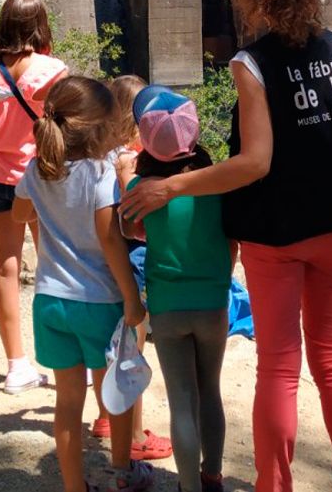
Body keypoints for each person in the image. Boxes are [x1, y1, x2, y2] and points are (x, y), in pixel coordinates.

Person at [120, 0, 332, 492]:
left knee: (281, 367)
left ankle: (274, 485)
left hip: (274, 233)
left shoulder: (250, 63)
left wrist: (173, 187)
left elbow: (255, 162)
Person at [11, 75, 154, 492]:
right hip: (99, 301)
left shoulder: (39, 170)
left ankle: (75, 486)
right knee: (114, 393)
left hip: (50, 301)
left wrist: (49, 211)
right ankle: (123, 476)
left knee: (67, 403)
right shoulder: (99, 173)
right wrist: (132, 298)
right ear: (98, 128)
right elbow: (110, 238)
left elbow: (20, 214)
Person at [126, 86, 233, 492]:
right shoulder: (218, 184)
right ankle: (214, 477)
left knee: (182, 401)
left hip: (168, 308)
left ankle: (188, 487)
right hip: (212, 303)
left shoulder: (140, 189)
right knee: (211, 391)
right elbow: (231, 242)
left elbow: (130, 230)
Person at [0, 0, 68, 394]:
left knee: (5, 270)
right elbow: (66, 134)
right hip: (43, 179)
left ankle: (16, 366)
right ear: (40, 25)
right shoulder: (54, 71)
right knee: (56, 268)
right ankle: (64, 362)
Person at [88, 75, 173, 462]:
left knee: (108, 342)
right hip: (134, 259)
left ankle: (107, 417)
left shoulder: (97, 153)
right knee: (131, 349)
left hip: (101, 260)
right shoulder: (132, 157)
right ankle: (136, 436)